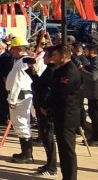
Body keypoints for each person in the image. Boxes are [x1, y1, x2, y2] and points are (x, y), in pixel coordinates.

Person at [41, 44, 82, 180]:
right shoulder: (62, 70)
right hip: (61, 114)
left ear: (63, 56)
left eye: (56, 55)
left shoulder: (69, 71)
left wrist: (47, 106)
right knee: (64, 151)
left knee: (67, 151)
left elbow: (61, 94)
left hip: (67, 116)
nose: (54, 58)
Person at [27, 46, 57, 177]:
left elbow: (42, 87)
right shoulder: (48, 70)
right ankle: (49, 164)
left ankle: (52, 168)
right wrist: (30, 69)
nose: (43, 58)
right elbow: (38, 83)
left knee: (48, 138)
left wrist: (45, 106)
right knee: (45, 138)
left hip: (46, 109)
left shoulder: (52, 70)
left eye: (45, 56)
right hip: (41, 106)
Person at [5, 34, 34, 163]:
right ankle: (25, 152)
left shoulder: (23, 61)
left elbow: (18, 81)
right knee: (20, 124)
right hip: (20, 95)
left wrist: (12, 100)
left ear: (19, 49)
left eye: (13, 48)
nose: (11, 51)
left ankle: (27, 155)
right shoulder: (20, 61)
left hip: (20, 96)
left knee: (22, 124)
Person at [79, 43, 98, 145]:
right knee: (93, 115)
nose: (84, 52)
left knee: (95, 116)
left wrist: (81, 69)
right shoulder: (91, 61)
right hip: (91, 94)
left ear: (92, 51)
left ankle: (96, 138)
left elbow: (93, 77)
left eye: (85, 50)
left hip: (95, 94)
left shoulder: (95, 62)